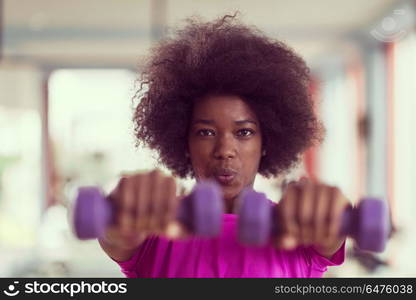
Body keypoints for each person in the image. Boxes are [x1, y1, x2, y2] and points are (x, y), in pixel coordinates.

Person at [98, 14, 349, 277]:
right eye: (205, 132)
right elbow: (113, 233)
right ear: (185, 142)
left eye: (244, 132)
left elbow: (334, 232)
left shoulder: (297, 230)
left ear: (266, 142)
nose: (224, 150)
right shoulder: (152, 230)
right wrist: (120, 209)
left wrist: (331, 210)